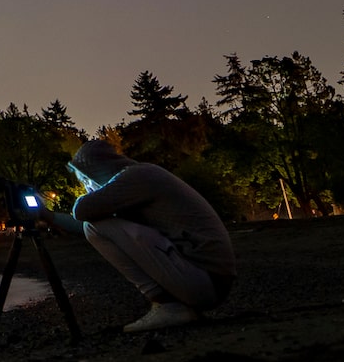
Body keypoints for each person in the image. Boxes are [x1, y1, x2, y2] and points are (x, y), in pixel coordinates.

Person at [48, 139, 237, 333]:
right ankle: (172, 305)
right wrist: (49, 217)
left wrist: (83, 200)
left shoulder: (136, 177)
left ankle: (168, 305)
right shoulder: (142, 177)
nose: (87, 187)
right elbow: (94, 227)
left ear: (97, 169)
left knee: (94, 227)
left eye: (86, 180)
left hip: (205, 281)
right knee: (94, 226)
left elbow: (82, 211)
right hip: (208, 279)